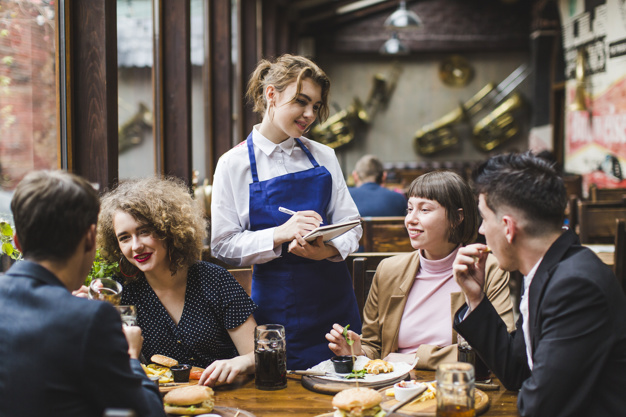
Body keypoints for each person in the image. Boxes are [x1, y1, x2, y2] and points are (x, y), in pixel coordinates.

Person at [210, 54, 362, 369]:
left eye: (316, 106)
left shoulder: (324, 156)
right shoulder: (232, 164)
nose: (310, 114)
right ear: (271, 95)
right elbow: (222, 244)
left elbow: (353, 225)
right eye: (301, 102)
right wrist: (279, 233)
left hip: (335, 303)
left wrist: (326, 251)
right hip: (276, 311)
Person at [453, 152, 626, 416]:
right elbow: (517, 372)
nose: (482, 231)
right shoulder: (544, 270)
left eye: (484, 219)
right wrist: (476, 298)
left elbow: (542, 406)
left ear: (508, 227)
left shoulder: (575, 285)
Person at [0, 170, 165, 417]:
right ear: (90, 238)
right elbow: (147, 413)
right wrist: (130, 356)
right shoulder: (90, 318)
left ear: (17, 243)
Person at [326, 171, 515, 370]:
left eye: (424, 210)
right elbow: (375, 347)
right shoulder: (389, 270)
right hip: (397, 390)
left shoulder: (487, 268)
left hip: (456, 385)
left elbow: (500, 348)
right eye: (409, 209)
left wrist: (416, 358)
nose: (410, 220)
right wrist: (359, 352)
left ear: (457, 217)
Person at [96, 176, 257, 387]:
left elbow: (257, 354)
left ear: (167, 230)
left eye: (144, 231)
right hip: (161, 402)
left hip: (228, 399)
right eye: (124, 237)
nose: (135, 246)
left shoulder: (214, 280)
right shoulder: (121, 293)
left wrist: (240, 363)